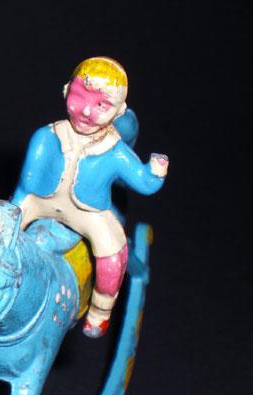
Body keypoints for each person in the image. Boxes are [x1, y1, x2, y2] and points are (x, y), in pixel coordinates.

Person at [11, 57, 168, 337]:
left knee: (112, 255)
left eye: (101, 105)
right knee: (0, 222)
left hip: (88, 213)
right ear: (65, 90)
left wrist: (155, 172)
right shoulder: (47, 136)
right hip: (42, 201)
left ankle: (99, 312)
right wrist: (11, 216)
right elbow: (27, 183)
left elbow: (143, 182)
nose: (86, 111)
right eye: (79, 97)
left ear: (119, 111)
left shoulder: (114, 150)